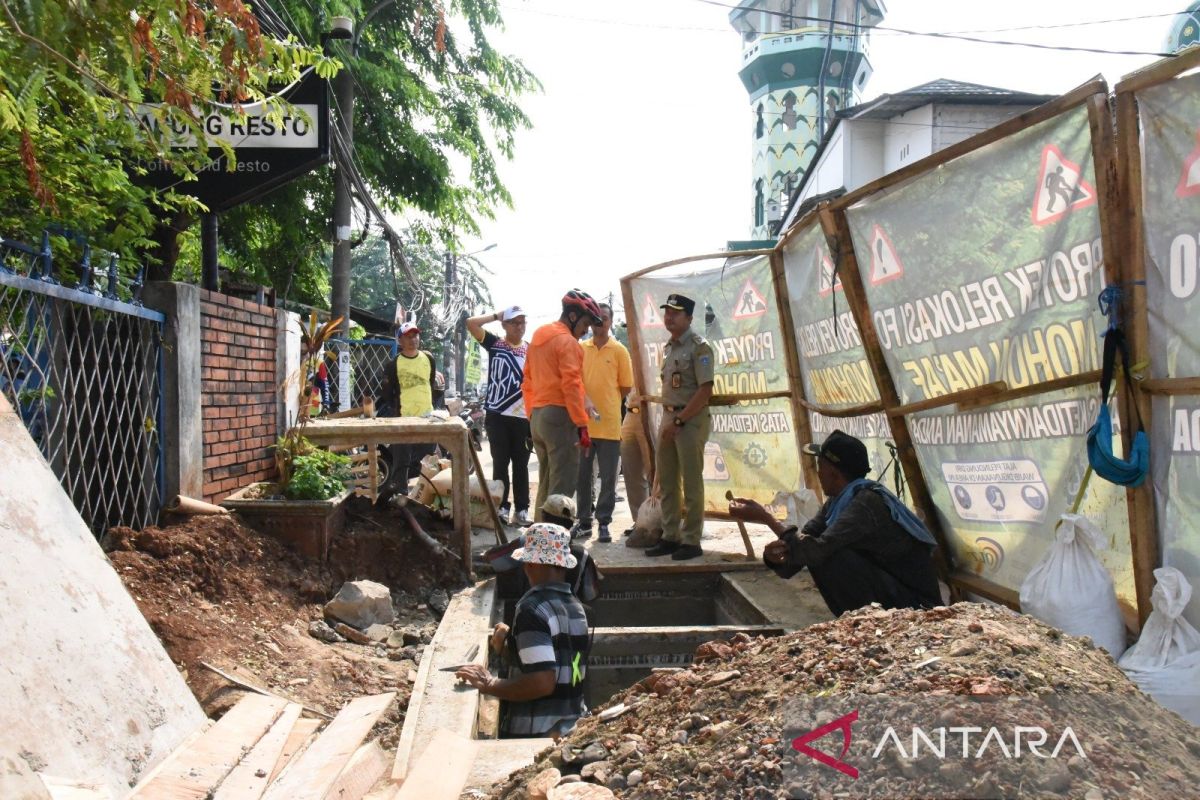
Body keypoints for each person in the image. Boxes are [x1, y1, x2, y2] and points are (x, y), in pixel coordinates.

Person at [728, 429, 943, 616]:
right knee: (816, 549)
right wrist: (775, 556)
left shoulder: (866, 503)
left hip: (915, 605)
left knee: (830, 555)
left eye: (820, 466)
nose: (818, 473)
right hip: (891, 593)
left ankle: (869, 624)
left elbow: (815, 552)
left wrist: (767, 518)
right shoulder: (836, 503)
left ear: (833, 472)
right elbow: (797, 556)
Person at [456, 523, 590, 739]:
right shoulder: (575, 608)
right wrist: (510, 647)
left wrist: (490, 684)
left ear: (530, 564)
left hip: (536, 734)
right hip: (571, 727)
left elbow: (542, 682)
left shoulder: (532, 608)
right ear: (563, 565)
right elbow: (558, 666)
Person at [522, 290, 604, 521]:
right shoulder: (568, 343)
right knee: (562, 487)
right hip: (559, 416)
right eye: (586, 323)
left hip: (538, 416)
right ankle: (553, 545)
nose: (587, 330)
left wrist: (532, 414)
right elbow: (572, 384)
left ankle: (539, 536)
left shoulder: (539, 335)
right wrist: (582, 425)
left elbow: (526, 380)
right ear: (572, 316)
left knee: (547, 482)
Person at [645, 293, 714, 561]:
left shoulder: (700, 347)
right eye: (667, 312)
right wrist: (670, 421)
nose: (669, 317)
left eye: (675, 312)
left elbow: (705, 390)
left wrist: (679, 420)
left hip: (689, 421)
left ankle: (691, 540)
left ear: (689, 318)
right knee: (668, 482)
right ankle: (670, 535)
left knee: (692, 483)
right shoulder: (670, 347)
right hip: (669, 418)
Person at [573, 302, 633, 543]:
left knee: (609, 477)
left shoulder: (619, 351)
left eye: (605, 318)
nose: (600, 322)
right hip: (584, 424)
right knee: (583, 476)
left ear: (610, 321)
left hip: (609, 424)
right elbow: (574, 381)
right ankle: (584, 522)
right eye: (596, 318)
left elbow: (626, 386)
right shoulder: (580, 349)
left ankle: (604, 523)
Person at [467, 305, 532, 525]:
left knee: (521, 464)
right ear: (504, 325)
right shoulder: (495, 344)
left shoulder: (531, 350)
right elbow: (471, 323)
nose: (519, 326)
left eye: (522, 322)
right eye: (514, 322)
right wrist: (496, 315)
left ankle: (522, 508)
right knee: (500, 463)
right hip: (497, 415)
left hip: (523, 417)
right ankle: (502, 505)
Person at [378, 322, 443, 499]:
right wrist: (398, 409)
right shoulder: (393, 365)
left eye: (415, 335)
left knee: (428, 457)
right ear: (400, 340)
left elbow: (430, 383)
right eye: (408, 336)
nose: (413, 339)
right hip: (403, 418)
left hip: (426, 416)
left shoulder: (428, 358)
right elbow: (387, 393)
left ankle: (427, 493)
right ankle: (401, 492)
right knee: (401, 459)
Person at [619, 390, 652, 542]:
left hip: (650, 412)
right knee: (631, 471)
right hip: (630, 413)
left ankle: (656, 521)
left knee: (653, 470)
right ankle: (639, 521)